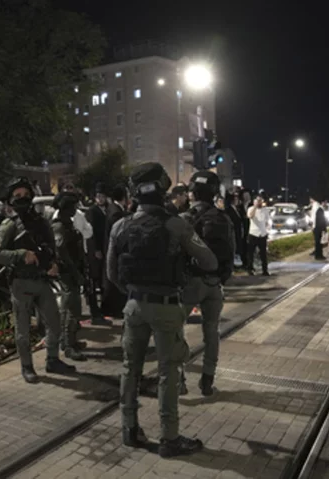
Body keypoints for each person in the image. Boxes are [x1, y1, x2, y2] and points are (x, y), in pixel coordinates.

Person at [108, 162, 217, 458]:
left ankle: (129, 429)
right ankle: (169, 437)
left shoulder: (120, 226)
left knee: (131, 368)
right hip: (167, 307)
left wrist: (134, 293)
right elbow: (209, 262)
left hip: (133, 305)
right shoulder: (177, 224)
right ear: (163, 188)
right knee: (169, 370)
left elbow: (112, 274)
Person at [0, 177, 76, 383]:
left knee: (54, 322)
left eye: (26, 195)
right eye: (18, 196)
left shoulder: (41, 222)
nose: (23, 199)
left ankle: (53, 359)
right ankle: (27, 367)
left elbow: (51, 247)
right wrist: (21, 254)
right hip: (21, 283)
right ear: (11, 200)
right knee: (23, 329)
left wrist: (54, 263)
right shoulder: (8, 225)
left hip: (42, 280)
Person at [180, 170, 235, 396]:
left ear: (193, 193)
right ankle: (207, 380)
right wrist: (220, 278)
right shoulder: (223, 218)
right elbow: (231, 252)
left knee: (176, 330)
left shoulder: (185, 218)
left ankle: (179, 380)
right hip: (214, 284)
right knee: (211, 332)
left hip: (189, 282)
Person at [52, 191, 87, 361]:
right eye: (73, 206)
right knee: (72, 309)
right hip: (68, 272)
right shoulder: (60, 226)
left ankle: (69, 341)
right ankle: (68, 345)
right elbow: (62, 253)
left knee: (70, 308)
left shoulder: (67, 223)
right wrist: (76, 273)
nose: (76, 209)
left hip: (73, 270)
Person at [101, 184, 130, 319]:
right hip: (115, 249)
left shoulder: (114, 209)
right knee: (113, 279)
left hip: (112, 248)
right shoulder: (116, 212)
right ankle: (114, 310)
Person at [86, 183, 109, 321]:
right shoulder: (92, 211)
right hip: (97, 250)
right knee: (96, 281)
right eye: (98, 196)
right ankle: (96, 311)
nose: (100, 199)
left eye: (102, 196)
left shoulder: (107, 209)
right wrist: (96, 250)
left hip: (106, 247)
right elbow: (91, 233)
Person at [247, 193, 271, 275]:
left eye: (261, 201)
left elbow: (268, 221)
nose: (259, 202)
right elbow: (250, 216)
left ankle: (265, 270)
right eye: (258, 201)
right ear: (254, 201)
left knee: (263, 254)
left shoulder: (265, 210)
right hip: (253, 233)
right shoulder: (250, 209)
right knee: (251, 253)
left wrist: (267, 230)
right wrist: (255, 207)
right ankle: (250, 269)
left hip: (262, 234)